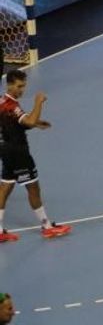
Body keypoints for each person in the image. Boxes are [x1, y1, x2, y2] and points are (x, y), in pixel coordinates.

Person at [0, 69, 69, 241]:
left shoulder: (2, 102)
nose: (22, 90)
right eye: (19, 86)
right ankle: (47, 227)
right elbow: (28, 121)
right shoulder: (12, 106)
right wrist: (38, 103)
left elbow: (13, 124)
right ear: (9, 85)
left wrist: (36, 123)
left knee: (5, 187)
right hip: (19, 153)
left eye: (23, 86)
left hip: (5, 150)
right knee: (33, 188)